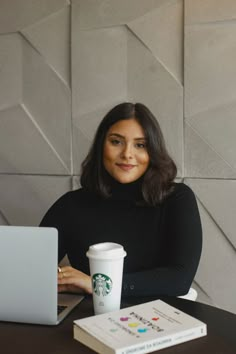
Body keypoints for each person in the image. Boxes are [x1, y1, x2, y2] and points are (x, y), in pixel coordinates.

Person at [40, 102, 202, 297]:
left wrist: (97, 285)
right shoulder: (71, 205)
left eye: (140, 145)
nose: (127, 154)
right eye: (116, 142)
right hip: (86, 319)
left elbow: (179, 280)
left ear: (152, 152)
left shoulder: (177, 199)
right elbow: (32, 269)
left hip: (156, 319)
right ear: (101, 146)